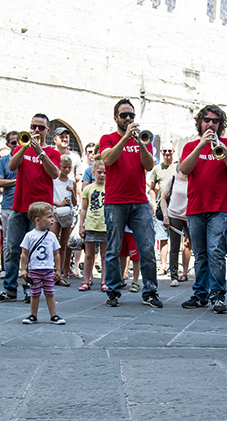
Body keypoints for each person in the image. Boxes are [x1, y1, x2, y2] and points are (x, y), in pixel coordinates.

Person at [0, 114, 60, 303]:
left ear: (47, 131)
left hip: (40, 210)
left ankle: (31, 288)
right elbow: (12, 166)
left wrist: (40, 152)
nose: (36, 130)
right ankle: (9, 289)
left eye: (41, 127)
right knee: (12, 249)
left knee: (35, 251)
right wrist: (25, 148)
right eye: (33, 126)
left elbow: (55, 173)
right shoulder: (22, 148)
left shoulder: (53, 153)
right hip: (19, 206)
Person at [99, 98, 162, 308]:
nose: (128, 118)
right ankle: (113, 291)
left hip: (139, 201)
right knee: (114, 248)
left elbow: (149, 165)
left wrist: (142, 144)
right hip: (115, 201)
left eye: (131, 115)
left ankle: (151, 291)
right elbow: (108, 159)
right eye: (124, 115)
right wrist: (125, 138)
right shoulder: (107, 138)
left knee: (146, 247)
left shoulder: (141, 140)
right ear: (115, 117)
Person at [178, 105, 227, 314]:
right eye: (206, 120)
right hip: (196, 206)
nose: (210, 124)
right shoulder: (190, 146)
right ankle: (200, 294)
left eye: (215, 121)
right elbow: (184, 169)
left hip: (220, 207)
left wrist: (219, 147)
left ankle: (218, 295)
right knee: (201, 253)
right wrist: (202, 145)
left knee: (216, 251)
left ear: (220, 125)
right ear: (200, 123)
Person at [19, 201, 65, 325]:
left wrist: (58, 270)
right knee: (35, 294)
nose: (53, 220)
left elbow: (56, 254)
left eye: (52, 217)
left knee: (50, 293)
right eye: (49, 217)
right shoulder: (30, 236)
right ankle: (33, 315)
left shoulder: (52, 236)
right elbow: (24, 254)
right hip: (34, 269)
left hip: (48, 270)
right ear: (38, 220)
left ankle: (53, 315)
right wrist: (23, 269)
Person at [148, 142, 178, 275]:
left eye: (169, 151)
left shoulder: (178, 167)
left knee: (178, 241)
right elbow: (152, 188)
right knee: (162, 238)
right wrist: (154, 203)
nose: (167, 153)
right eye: (164, 150)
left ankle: (176, 269)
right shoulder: (157, 169)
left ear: (173, 152)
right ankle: (163, 266)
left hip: (177, 207)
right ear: (161, 151)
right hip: (162, 207)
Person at [78, 158, 107, 291]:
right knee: (89, 255)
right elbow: (84, 208)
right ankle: (86, 280)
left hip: (105, 225)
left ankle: (104, 281)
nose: (102, 175)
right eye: (99, 172)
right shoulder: (88, 188)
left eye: (104, 172)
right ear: (94, 172)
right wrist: (81, 225)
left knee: (105, 255)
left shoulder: (110, 188)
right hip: (91, 224)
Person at [160, 165, 191, 286]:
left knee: (191, 245)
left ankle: (186, 273)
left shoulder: (194, 179)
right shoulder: (173, 179)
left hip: (190, 216)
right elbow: (163, 198)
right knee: (174, 246)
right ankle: (174, 276)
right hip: (174, 215)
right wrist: (165, 216)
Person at [0, 131, 19, 276]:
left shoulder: (25, 159)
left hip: (24, 205)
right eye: (13, 142)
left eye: (18, 142)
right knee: (8, 240)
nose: (16, 145)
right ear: (8, 144)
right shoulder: (3, 161)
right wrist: (17, 181)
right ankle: (6, 269)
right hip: (8, 205)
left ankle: (22, 269)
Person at [52, 154, 78, 284]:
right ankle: (51, 271)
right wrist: (59, 203)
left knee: (63, 243)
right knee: (53, 240)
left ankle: (60, 271)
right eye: (64, 167)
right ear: (60, 167)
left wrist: (73, 191)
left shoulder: (71, 182)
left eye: (69, 168)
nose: (67, 170)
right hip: (55, 212)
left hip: (67, 214)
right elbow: (49, 197)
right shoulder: (54, 180)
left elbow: (75, 201)